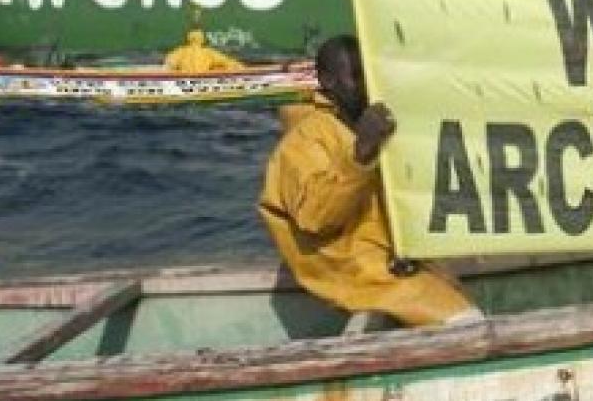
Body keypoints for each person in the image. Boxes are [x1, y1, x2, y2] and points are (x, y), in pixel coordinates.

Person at [258, 36, 479, 327]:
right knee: (466, 323)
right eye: (356, 76)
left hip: (398, 265)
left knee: (462, 302)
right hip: (355, 273)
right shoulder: (305, 140)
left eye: (370, 73)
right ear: (328, 81)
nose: (366, 84)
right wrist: (361, 155)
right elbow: (316, 217)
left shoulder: (371, 123)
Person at [162, 28, 243, 73]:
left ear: (188, 39)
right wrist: (239, 66)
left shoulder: (181, 51)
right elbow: (225, 61)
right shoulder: (208, 52)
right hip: (202, 78)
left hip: (186, 80)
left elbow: (169, 63)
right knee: (219, 68)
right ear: (202, 39)